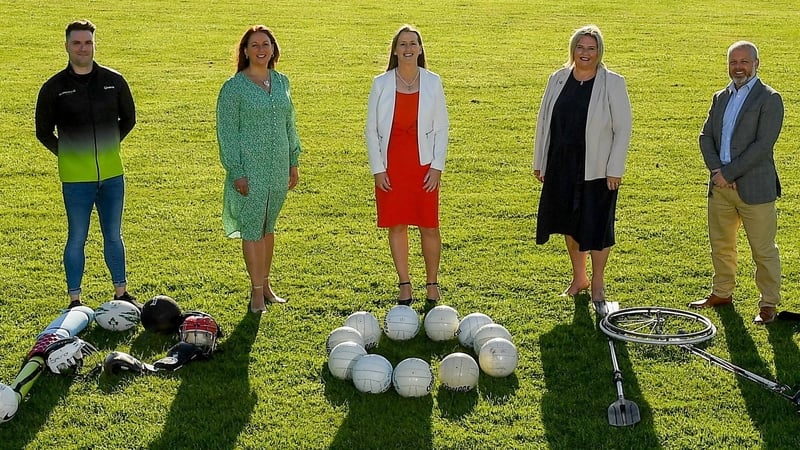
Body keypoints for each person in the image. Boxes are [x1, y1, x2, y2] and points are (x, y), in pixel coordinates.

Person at [35, 19, 140, 310]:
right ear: (67, 45)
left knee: (113, 235)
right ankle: (75, 299)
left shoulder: (114, 81)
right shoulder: (54, 88)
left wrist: (109, 145)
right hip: (75, 179)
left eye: (88, 42)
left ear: (95, 44)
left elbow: (129, 119)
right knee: (77, 237)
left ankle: (121, 292)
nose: (83, 48)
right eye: (77, 43)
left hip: (112, 176)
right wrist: (68, 154)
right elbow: (43, 132)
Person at [532, 25, 632, 313]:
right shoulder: (558, 78)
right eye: (580, 47)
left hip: (598, 169)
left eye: (591, 48)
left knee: (598, 226)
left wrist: (615, 168)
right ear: (572, 49)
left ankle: (598, 284)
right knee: (569, 223)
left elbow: (622, 128)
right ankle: (579, 279)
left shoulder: (612, 82)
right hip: (562, 165)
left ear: (599, 52)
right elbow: (544, 122)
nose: (585, 53)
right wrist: (540, 162)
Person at [689, 41, 784, 325]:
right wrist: (718, 170)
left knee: (763, 250)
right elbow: (705, 137)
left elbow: (762, 146)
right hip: (720, 189)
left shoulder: (770, 99)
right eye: (733, 62)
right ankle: (722, 293)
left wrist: (729, 174)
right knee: (721, 245)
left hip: (755, 189)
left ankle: (768, 303)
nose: (738, 67)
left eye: (744, 61)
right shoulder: (720, 97)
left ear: (757, 63)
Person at [216, 25, 301, 314]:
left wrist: (293, 161)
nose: (261, 49)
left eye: (266, 44)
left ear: (273, 49)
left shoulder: (282, 82)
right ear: (245, 51)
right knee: (253, 227)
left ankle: (265, 286)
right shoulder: (234, 88)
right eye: (255, 45)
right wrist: (236, 170)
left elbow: (290, 124)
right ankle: (255, 293)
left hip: (279, 166)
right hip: (249, 168)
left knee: (268, 226)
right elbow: (226, 132)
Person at [365, 25, 449, 306]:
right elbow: (371, 131)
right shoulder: (381, 83)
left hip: (423, 166)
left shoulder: (433, 81)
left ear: (421, 48)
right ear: (395, 49)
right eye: (403, 44)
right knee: (397, 225)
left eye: (413, 43)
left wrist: (436, 167)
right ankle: (404, 284)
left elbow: (442, 128)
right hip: (392, 166)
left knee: (429, 225)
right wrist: (378, 169)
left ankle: (432, 283)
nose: (408, 48)